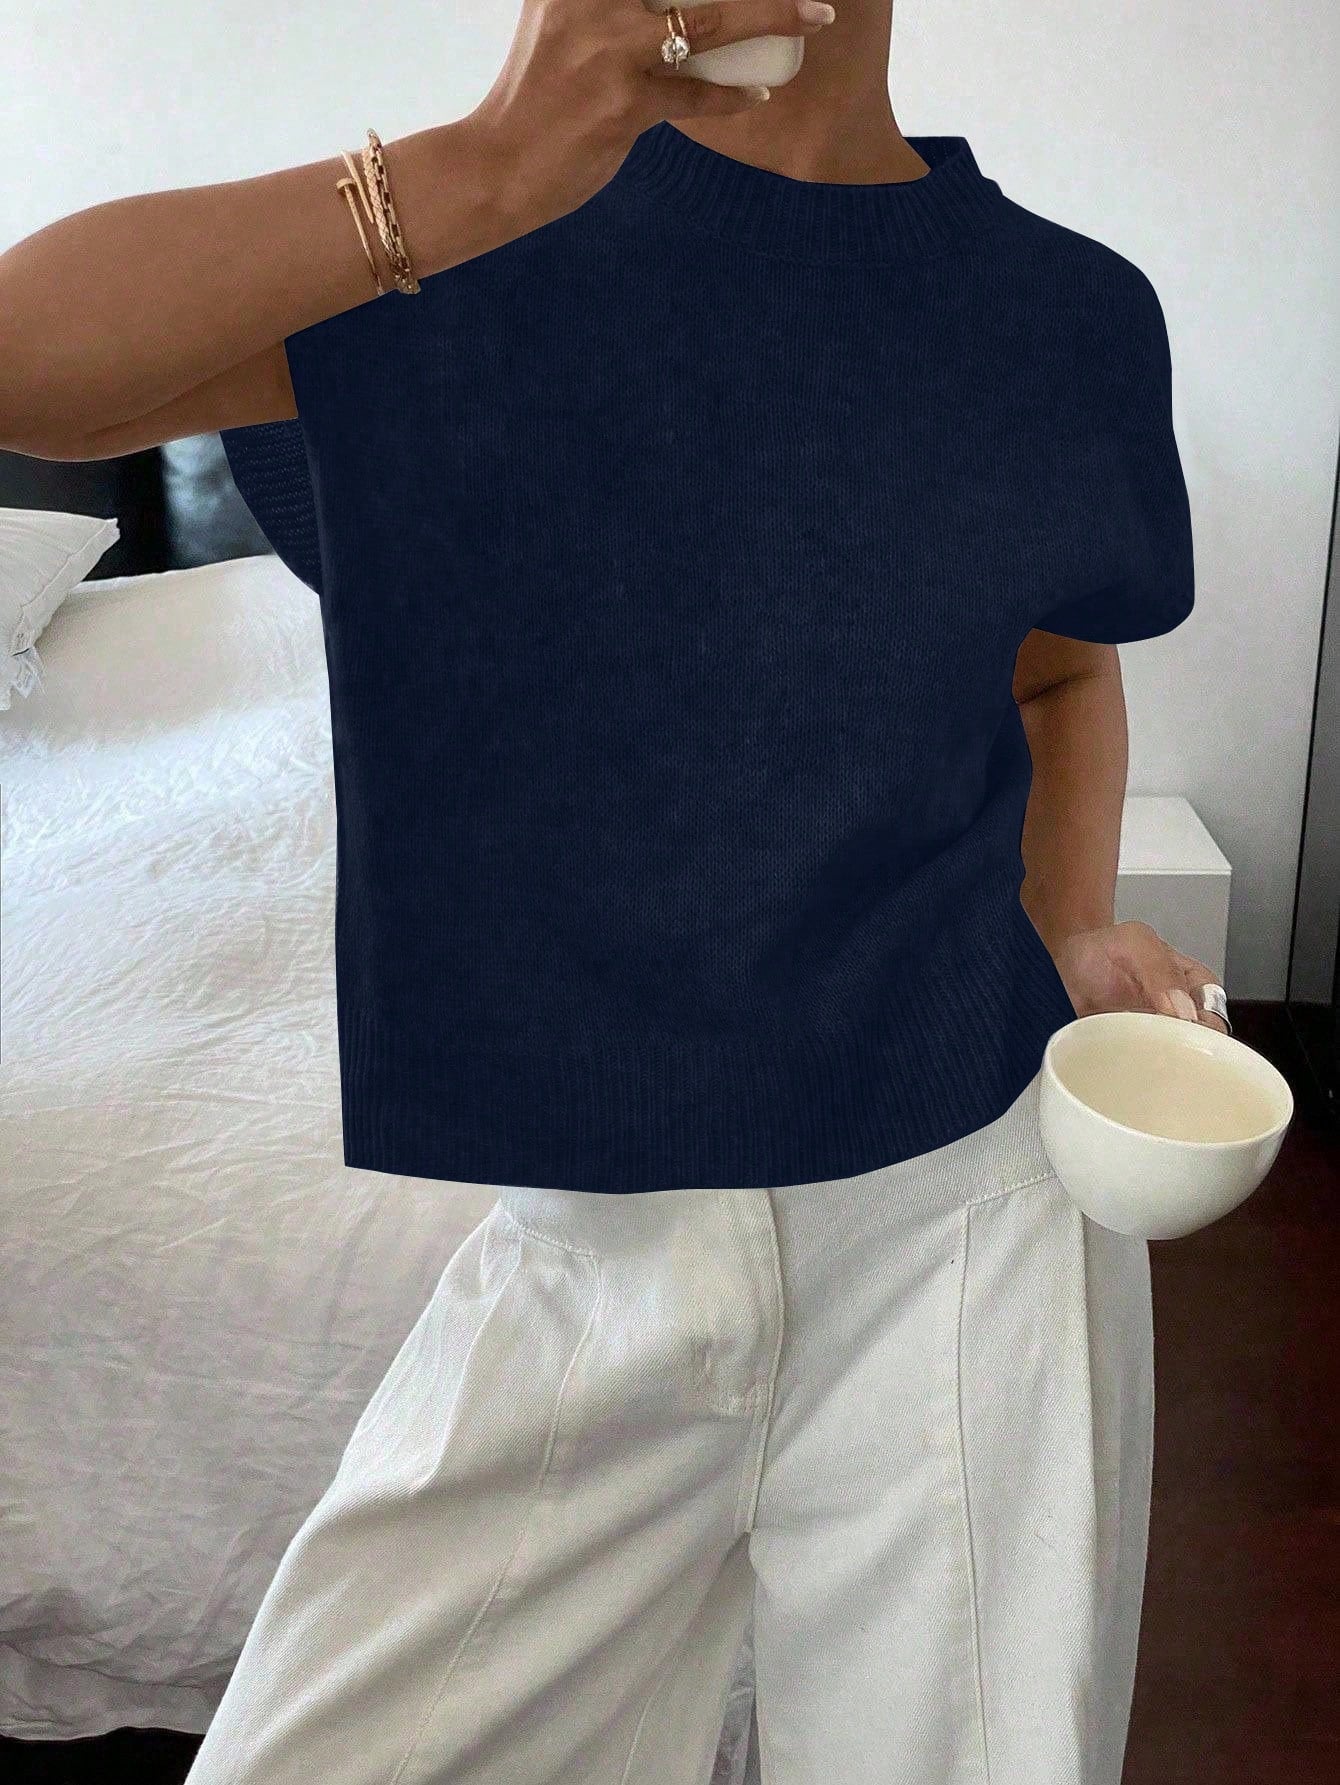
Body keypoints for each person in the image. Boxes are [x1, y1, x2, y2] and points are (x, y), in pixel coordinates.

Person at [0, 2, 1229, 1780]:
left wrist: (1070, 931)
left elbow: (1057, 677)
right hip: (593, 1246)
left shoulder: (1068, 313)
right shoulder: (453, 252)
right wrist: (483, 163)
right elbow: (24, 369)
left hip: (972, 1217)